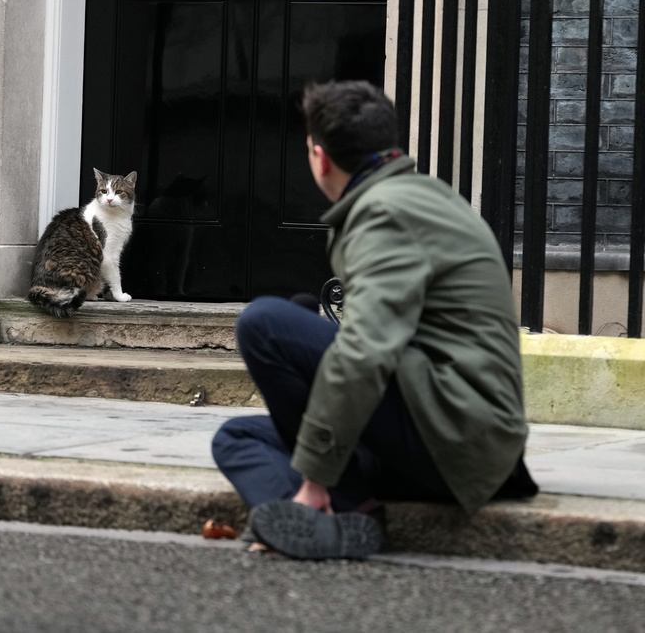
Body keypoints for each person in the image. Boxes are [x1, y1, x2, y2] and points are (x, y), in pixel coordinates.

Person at [212, 80, 537, 560]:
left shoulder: (384, 213)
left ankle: (326, 505)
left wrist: (318, 476)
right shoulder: (419, 196)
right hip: (447, 428)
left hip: (455, 440)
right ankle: (342, 519)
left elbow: (365, 352)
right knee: (237, 437)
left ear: (320, 158)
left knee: (264, 324)